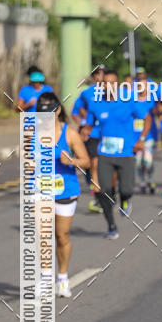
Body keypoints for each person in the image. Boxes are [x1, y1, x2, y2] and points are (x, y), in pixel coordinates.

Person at [35, 92, 90, 297]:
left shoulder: (70, 134)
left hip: (66, 189)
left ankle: (63, 277)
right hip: (41, 190)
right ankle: (45, 278)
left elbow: (86, 161)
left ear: (57, 110)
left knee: (61, 235)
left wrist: (72, 161)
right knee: (43, 235)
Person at [83, 70, 147, 239]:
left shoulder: (129, 99)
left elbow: (146, 118)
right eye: (105, 83)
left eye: (112, 83)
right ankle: (111, 226)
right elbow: (88, 126)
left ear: (117, 85)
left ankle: (125, 199)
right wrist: (82, 134)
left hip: (126, 153)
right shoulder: (95, 103)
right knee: (103, 190)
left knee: (126, 189)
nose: (108, 86)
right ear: (101, 85)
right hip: (105, 153)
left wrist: (141, 139)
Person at [72, 66, 105, 213]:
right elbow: (75, 111)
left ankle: (107, 192)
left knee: (104, 165)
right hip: (92, 134)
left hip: (108, 134)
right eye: (98, 74)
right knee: (94, 165)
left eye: (103, 74)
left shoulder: (115, 93)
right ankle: (98, 197)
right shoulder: (86, 93)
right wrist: (83, 124)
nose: (100, 77)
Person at [133, 69, 156, 194]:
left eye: (144, 85)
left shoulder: (153, 100)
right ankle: (142, 182)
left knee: (148, 161)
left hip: (150, 135)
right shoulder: (131, 100)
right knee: (138, 162)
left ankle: (150, 179)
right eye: (139, 85)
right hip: (135, 136)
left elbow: (160, 110)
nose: (142, 87)